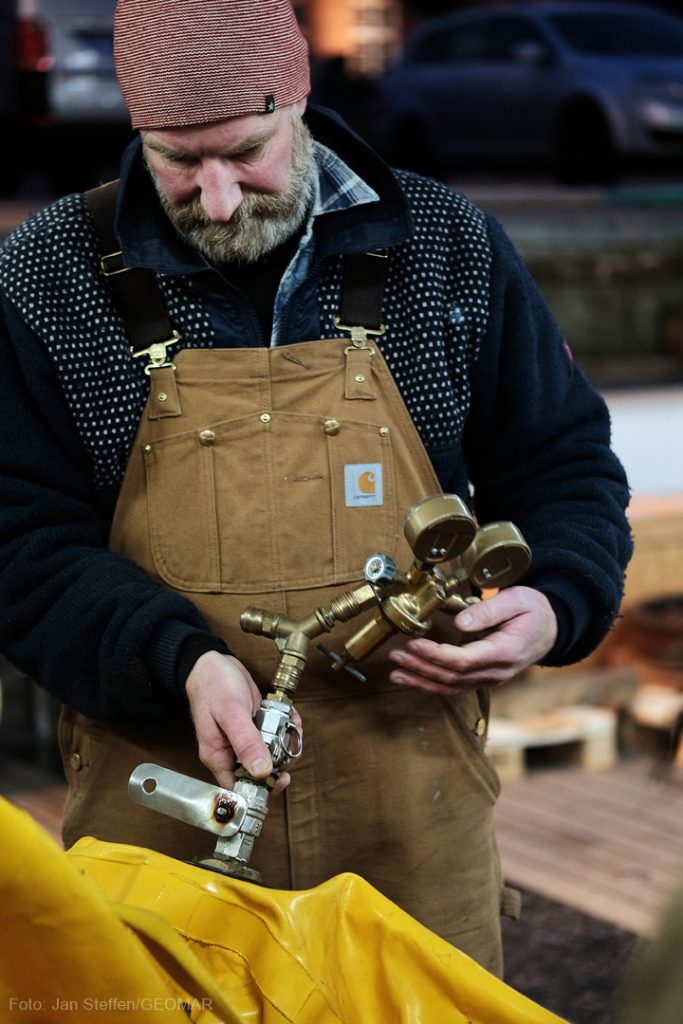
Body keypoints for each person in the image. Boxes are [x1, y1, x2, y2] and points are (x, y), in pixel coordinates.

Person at [0, 0, 631, 976]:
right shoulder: (45, 278)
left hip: (411, 815)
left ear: (298, 96)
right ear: (134, 131)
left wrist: (553, 602)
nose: (215, 199)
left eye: (245, 152)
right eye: (176, 161)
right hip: (164, 803)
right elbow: (19, 543)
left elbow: (563, 467)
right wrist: (173, 660)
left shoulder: (448, 247)